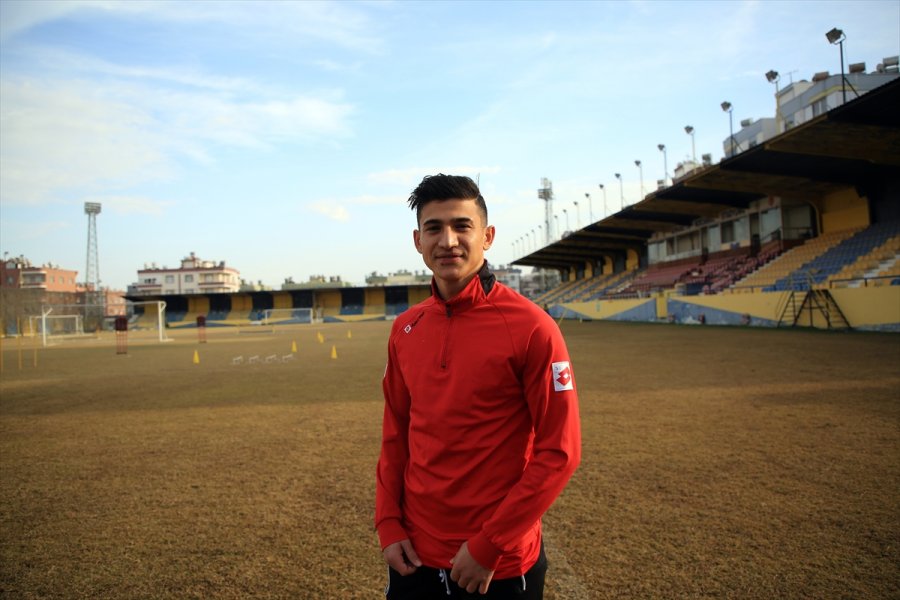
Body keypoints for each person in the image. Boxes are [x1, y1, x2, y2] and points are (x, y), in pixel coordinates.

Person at [375, 174, 581, 599]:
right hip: (414, 554)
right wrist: (388, 523)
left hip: (494, 565)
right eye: (434, 228)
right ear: (417, 240)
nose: (447, 240)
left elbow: (560, 451)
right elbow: (396, 433)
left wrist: (490, 544)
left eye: (461, 226)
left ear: (487, 237)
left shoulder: (533, 328)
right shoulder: (406, 328)